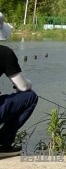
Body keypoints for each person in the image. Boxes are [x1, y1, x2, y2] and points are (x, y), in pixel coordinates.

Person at [0, 13, 38, 158]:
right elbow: (23, 87)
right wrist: (28, 83)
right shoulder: (4, 53)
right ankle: (3, 144)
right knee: (31, 97)